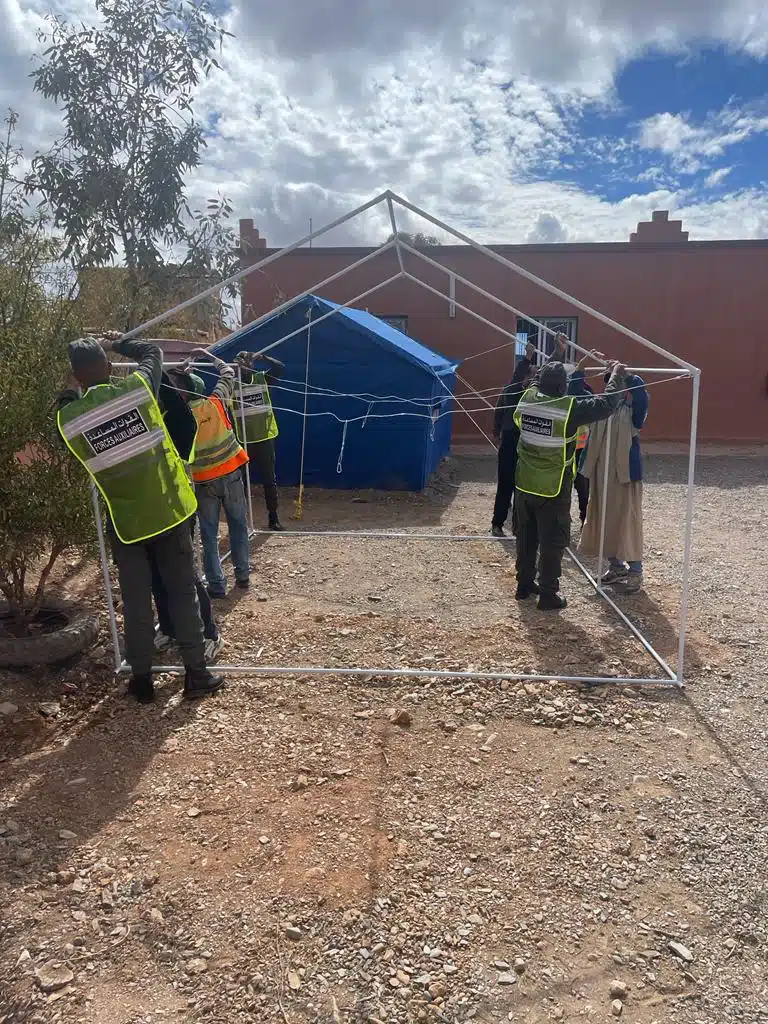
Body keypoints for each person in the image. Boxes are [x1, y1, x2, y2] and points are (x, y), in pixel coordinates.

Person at [56, 336, 224, 703]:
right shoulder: (136, 388)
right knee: (182, 593)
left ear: (76, 375)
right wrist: (118, 343)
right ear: (108, 365)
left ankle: (142, 680)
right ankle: (196, 674)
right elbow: (153, 353)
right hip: (168, 511)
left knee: (134, 601)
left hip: (127, 523)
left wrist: (73, 389)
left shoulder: (70, 418)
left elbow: (63, 406)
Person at [513, 349, 626, 610]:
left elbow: (538, 382)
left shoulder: (527, 399)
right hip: (553, 487)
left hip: (524, 483)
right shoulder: (569, 410)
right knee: (552, 541)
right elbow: (606, 405)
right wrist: (616, 376)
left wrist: (578, 368)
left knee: (526, 537)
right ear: (563, 387)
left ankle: (524, 586)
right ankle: (548, 595)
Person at [150, 369, 224, 662]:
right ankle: (169, 628)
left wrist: (161, 373)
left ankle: (209, 634)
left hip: (178, 510)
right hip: (151, 510)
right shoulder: (154, 421)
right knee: (156, 575)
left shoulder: (182, 422)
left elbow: (174, 402)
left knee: (185, 576)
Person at [181, 348, 251, 598]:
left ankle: (217, 586)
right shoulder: (217, 403)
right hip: (231, 473)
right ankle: (242, 577)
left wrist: (181, 369)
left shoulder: (183, 416)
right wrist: (207, 355)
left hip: (203, 481)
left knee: (209, 536)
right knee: (238, 526)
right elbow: (228, 372)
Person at [578, 370, 649, 593]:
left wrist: (628, 377)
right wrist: (578, 370)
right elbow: (574, 393)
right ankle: (615, 566)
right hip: (602, 473)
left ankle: (635, 571)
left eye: (618, 384)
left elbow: (641, 395)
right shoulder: (601, 408)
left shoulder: (633, 411)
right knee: (604, 518)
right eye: (612, 383)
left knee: (627, 520)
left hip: (625, 474)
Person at [232, 350, 286, 531]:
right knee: (243, 483)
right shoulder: (232, 385)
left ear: (252, 364)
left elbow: (280, 368)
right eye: (240, 363)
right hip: (244, 440)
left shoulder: (262, 379)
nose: (244, 367)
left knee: (269, 480)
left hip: (264, 437)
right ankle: (244, 522)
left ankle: (273, 517)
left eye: (246, 363)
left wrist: (262, 357)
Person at [490, 341, 537, 537]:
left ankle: (520, 526)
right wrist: (527, 358)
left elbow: (551, 378)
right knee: (506, 484)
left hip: (527, 441)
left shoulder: (537, 396)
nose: (534, 377)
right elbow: (499, 410)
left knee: (523, 487)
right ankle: (497, 524)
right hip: (511, 440)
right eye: (531, 374)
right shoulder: (513, 391)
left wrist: (558, 354)